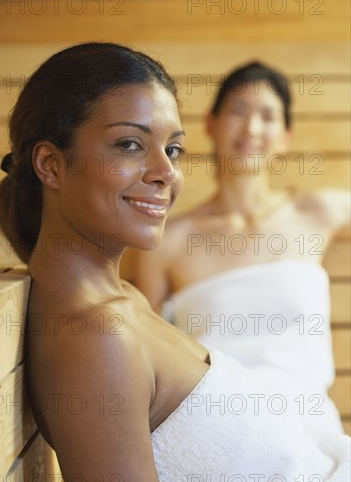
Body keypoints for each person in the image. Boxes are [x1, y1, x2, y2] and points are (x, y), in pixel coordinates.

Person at [0, 44, 350, 482]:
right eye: (130, 145)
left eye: (172, 149)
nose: (166, 173)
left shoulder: (120, 304)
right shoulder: (95, 335)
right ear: (50, 165)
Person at [132, 61, 350, 431]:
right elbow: (140, 358)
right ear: (211, 124)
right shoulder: (168, 240)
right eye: (238, 112)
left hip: (312, 426)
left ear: (285, 136)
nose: (251, 128)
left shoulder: (317, 213)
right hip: (217, 428)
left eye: (267, 116)